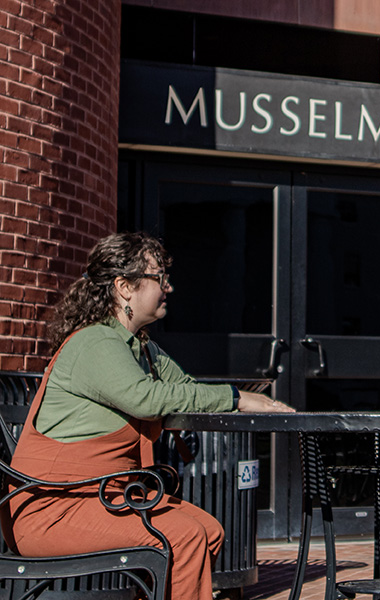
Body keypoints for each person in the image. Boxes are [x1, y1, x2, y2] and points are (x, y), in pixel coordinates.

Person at [5, 232, 294, 600]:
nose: (169, 287)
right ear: (125, 287)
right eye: (160, 278)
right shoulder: (95, 342)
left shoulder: (143, 349)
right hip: (52, 508)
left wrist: (250, 399)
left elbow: (184, 388)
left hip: (101, 498)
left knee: (207, 530)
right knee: (184, 536)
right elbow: (147, 400)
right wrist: (236, 398)